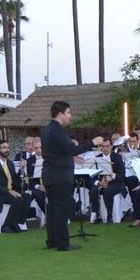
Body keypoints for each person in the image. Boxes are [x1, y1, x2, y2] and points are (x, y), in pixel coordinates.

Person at [40, 101, 94, 251]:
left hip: (50, 174)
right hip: (60, 175)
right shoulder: (57, 130)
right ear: (60, 114)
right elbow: (72, 149)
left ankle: (53, 241)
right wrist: (92, 142)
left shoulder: (47, 130)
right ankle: (63, 244)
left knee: (52, 209)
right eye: (68, 113)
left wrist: (71, 156)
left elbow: (57, 152)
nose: (70, 116)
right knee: (61, 209)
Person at [0, 139, 30, 233]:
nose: (7, 149)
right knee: (18, 199)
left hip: (9, 192)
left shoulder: (10, 163)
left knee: (27, 197)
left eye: (8, 147)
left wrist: (21, 169)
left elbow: (15, 181)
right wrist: (9, 191)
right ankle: (7, 226)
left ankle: (17, 222)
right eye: (4, 147)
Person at [90, 138, 126, 223]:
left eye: (107, 146)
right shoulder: (97, 158)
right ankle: (96, 215)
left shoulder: (117, 157)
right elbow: (92, 175)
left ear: (111, 146)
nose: (105, 148)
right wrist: (99, 183)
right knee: (93, 190)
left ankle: (109, 216)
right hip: (101, 183)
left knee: (108, 191)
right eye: (103, 146)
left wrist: (112, 175)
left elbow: (122, 175)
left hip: (115, 183)